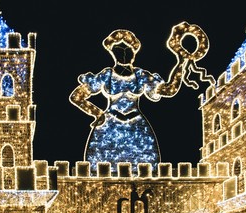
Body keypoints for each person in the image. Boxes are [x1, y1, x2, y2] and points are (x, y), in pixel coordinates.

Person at [69, 27, 201, 173]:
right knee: (103, 171)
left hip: (137, 130)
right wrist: (97, 113)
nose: (124, 52)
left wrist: (181, 63)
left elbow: (169, 90)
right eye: (119, 49)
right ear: (112, 52)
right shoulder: (107, 75)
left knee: (144, 171)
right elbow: (77, 96)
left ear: (134, 51)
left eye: (128, 49)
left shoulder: (141, 76)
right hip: (109, 131)